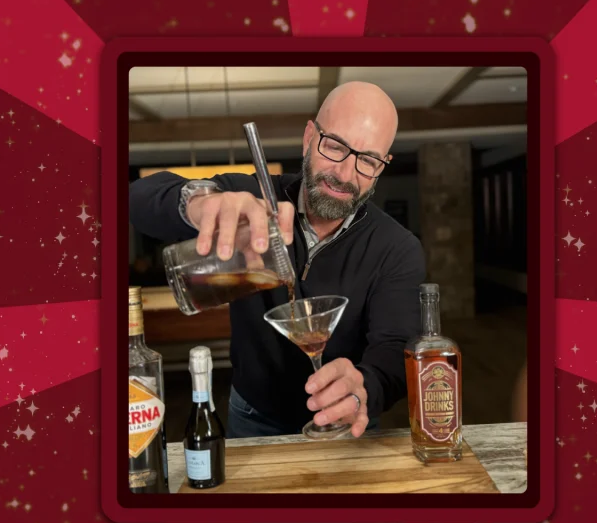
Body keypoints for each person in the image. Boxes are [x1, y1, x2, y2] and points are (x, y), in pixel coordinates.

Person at [128, 81, 425, 439]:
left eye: (368, 160)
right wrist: (198, 203)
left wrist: (366, 386)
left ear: (383, 164)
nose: (345, 175)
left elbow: (396, 349)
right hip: (252, 416)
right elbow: (136, 198)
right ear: (309, 138)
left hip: (348, 420)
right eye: (335, 146)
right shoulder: (250, 196)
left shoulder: (397, 247)